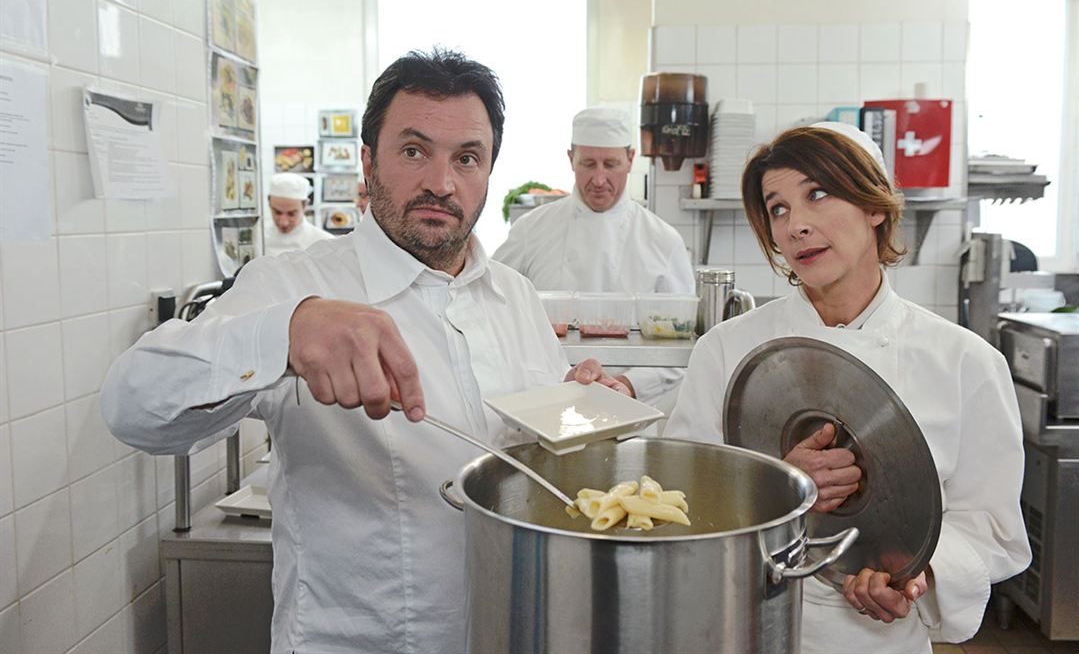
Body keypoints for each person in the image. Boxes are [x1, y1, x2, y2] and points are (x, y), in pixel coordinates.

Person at [101, 49, 628, 654]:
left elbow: (528, 463)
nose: (441, 182)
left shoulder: (516, 297)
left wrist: (581, 411)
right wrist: (285, 335)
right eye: (413, 151)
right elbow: (132, 407)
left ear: (489, 172)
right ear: (369, 162)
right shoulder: (295, 286)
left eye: (466, 158)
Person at [663, 122, 1031, 654]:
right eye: (778, 208)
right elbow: (681, 500)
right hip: (741, 625)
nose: (795, 227)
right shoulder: (726, 350)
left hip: (876, 640)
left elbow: (992, 526)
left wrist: (915, 575)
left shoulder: (964, 362)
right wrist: (777, 487)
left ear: (874, 205)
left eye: (818, 194)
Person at [493, 106, 695, 408]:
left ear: (629, 160)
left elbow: (683, 342)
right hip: (545, 399)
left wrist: (627, 385)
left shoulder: (663, 241)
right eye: (588, 163)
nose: (599, 179)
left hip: (628, 408)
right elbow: (492, 311)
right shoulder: (530, 231)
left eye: (611, 164)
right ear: (570, 158)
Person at [263, 172, 334, 256]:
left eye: (291, 214)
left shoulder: (324, 242)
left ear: (305, 205)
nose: (283, 222)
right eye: (277, 212)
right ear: (269, 204)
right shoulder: (258, 237)